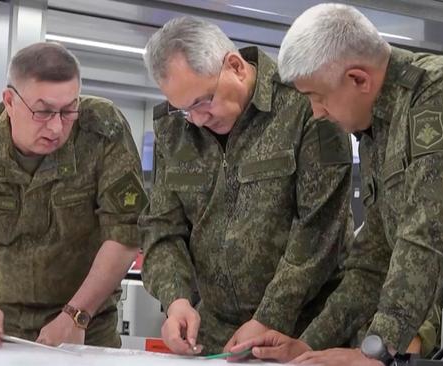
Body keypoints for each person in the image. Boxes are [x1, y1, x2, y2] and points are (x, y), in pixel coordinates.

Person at [230, 4, 443, 366]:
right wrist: (311, 343)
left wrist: (378, 350)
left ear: (358, 79)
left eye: (317, 97)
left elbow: (430, 235)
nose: (317, 112)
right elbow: (374, 256)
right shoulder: (377, 130)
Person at [137, 16, 354, 356]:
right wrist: (176, 298)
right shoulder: (175, 129)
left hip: (304, 333)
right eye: (184, 110)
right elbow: (162, 227)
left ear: (235, 66)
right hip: (215, 338)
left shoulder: (306, 104)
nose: (196, 119)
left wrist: (270, 315)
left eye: (202, 102)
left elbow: (320, 232)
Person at [0, 42, 146, 348]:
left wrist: (76, 315)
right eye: (43, 111)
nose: (56, 126)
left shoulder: (102, 130)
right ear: (10, 101)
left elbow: (126, 230)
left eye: (68, 110)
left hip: (85, 327)